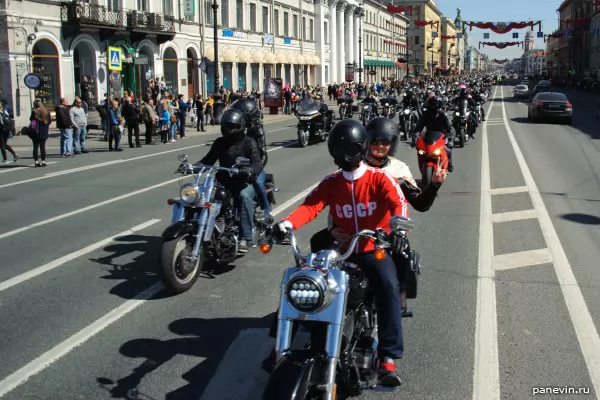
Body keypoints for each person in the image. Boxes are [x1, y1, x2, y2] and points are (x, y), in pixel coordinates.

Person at [267, 119, 408, 386]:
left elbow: (398, 203)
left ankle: (388, 356)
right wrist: (287, 224)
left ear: (362, 148)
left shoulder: (379, 178)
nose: (346, 154)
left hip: (371, 248)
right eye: (340, 148)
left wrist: (397, 230)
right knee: (303, 282)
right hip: (339, 251)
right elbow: (310, 206)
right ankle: (279, 344)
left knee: (388, 286)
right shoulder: (331, 182)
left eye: (352, 148)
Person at [363, 117, 446, 313]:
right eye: (375, 140)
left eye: (385, 142)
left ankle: (399, 298)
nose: (379, 146)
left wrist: (433, 185)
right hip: (356, 230)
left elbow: (420, 204)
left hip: (388, 233)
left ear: (392, 144)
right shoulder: (355, 165)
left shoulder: (398, 169)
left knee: (401, 254)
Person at [197, 108, 262, 252]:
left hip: (242, 181)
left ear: (240, 127)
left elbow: (257, 162)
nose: (229, 130)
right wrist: (193, 166)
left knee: (245, 197)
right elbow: (208, 160)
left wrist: (250, 169)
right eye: (227, 127)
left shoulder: (249, 142)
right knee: (202, 198)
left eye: (232, 127)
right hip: (222, 182)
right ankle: (202, 230)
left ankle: (246, 237)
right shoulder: (220, 142)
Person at [228, 98, 272, 223]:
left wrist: (254, 170)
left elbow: (263, 154)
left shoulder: (257, 130)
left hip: (253, 165)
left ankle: (266, 209)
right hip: (236, 165)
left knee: (258, 182)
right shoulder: (234, 129)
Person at [412, 96, 455, 172]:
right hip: (429, 137)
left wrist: (451, 140)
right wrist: (414, 133)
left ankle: (450, 164)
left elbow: (450, 128)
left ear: (438, 108)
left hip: (443, 136)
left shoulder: (443, 115)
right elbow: (419, 125)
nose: (432, 111)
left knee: (448, 150)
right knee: (421, 151)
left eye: (434, 109)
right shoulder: (425, 115)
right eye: (430, 108)